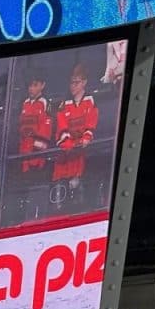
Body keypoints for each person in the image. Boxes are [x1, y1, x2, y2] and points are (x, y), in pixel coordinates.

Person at [53, 65, 99, 209]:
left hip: (83, 153)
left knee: (80, 191)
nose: (73, 86)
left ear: (84, 82)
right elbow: (61, 127)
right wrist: (68, 143)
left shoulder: (90, 101)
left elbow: (91, 123)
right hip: (68, 153)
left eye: (76, 82)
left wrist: (86, 138)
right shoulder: (64, 105)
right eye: (71, 82)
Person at [19, 70, 53, 174]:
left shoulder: (45, 103)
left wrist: (37, 149)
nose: (31, 89)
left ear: (42, 85)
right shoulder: (24, 104)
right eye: (30, 86)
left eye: (35, 85)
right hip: (24, 150)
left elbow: (46, 129)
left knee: (35, 173)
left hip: (37, 151)